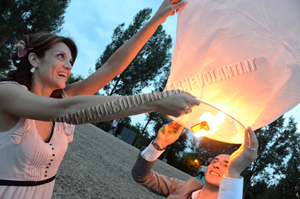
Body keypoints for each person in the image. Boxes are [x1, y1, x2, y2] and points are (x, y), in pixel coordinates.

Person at [0, 1, 198, 198]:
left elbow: (112, 67)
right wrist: (155, 101)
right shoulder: (7, 93)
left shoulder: (65, 97)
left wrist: (158, 18)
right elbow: (63, 110)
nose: (68, 65)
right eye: (60, 56)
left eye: (70, 61)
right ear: (34, 59)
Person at [131, 122, 258, 199]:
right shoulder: (187, 188)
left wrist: (234, 173)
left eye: (226, 165)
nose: (217, 165)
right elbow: (142, 176)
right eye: (214, 161)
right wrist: (159, 144)